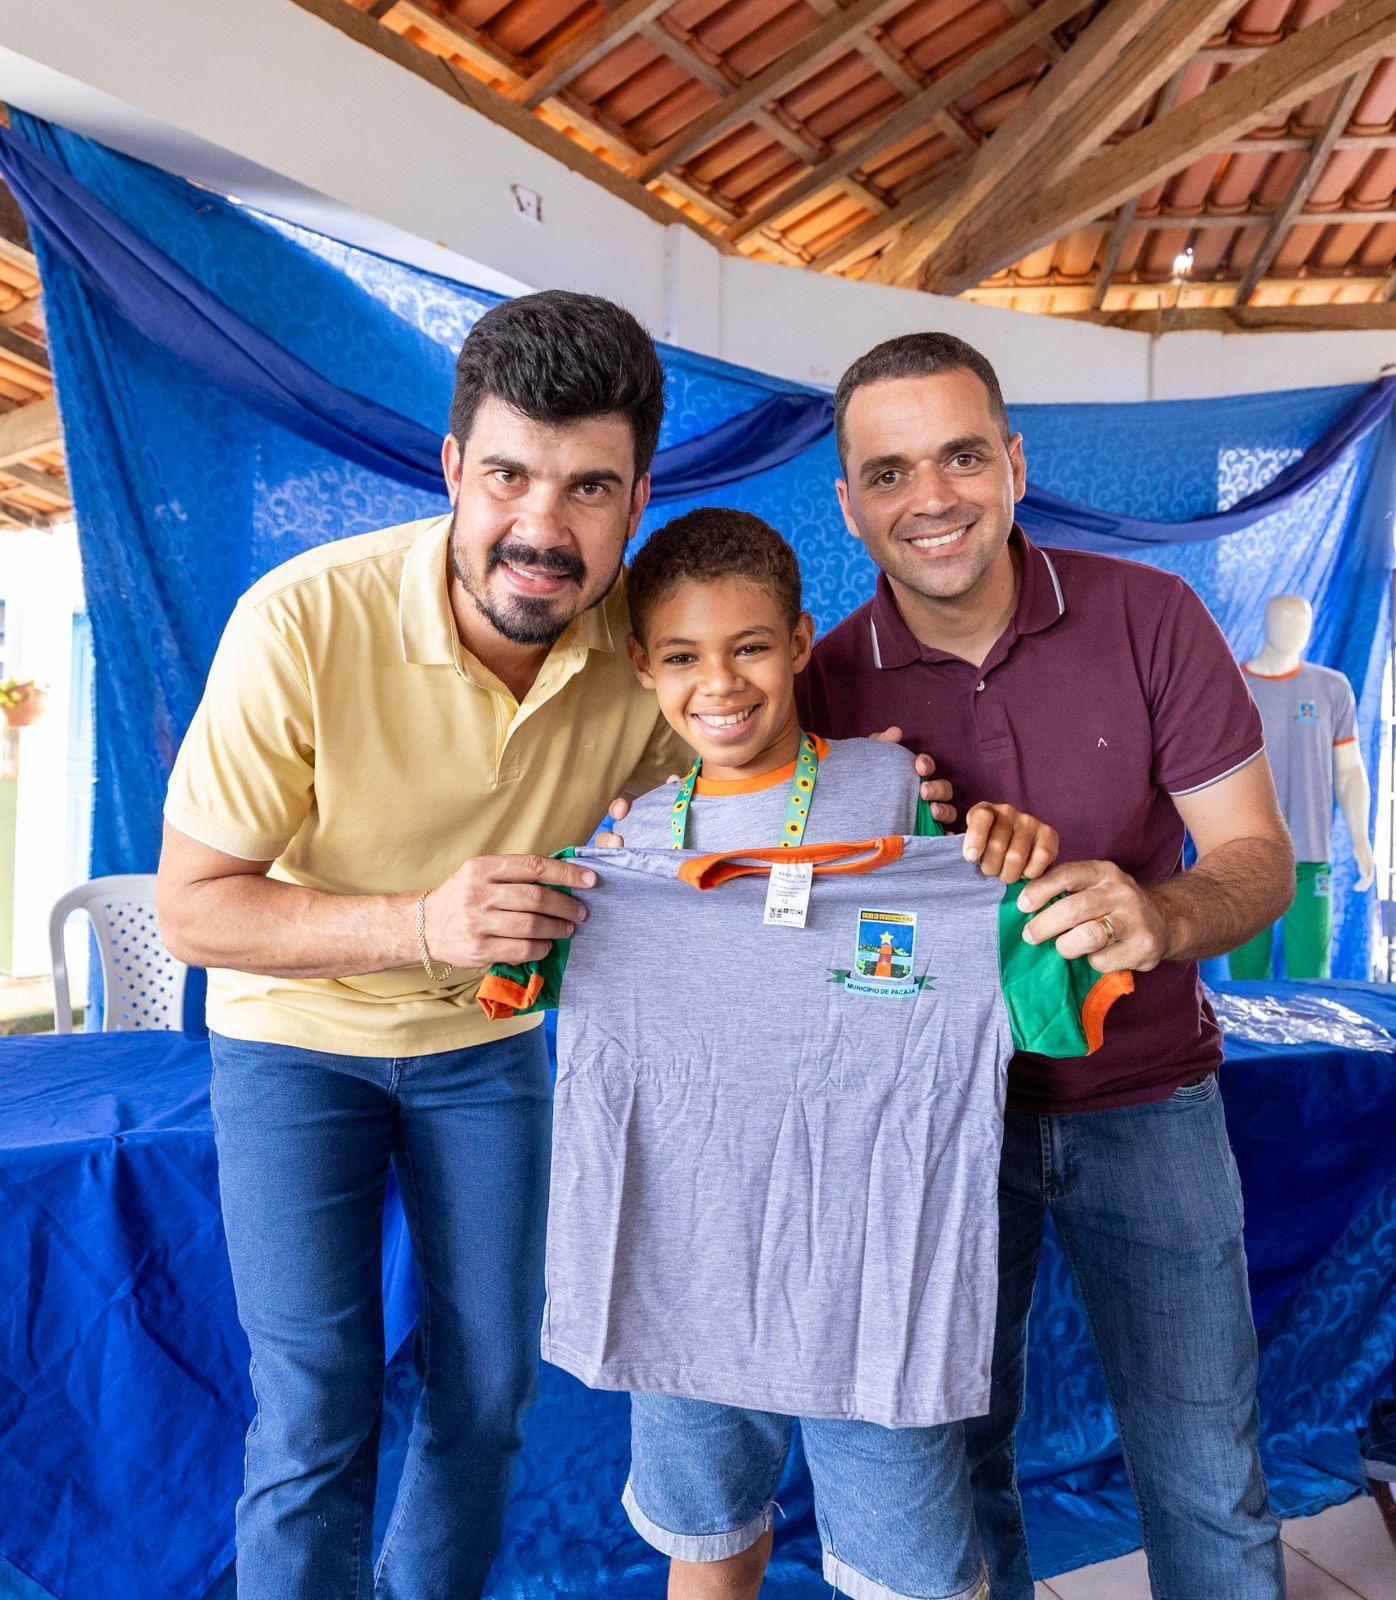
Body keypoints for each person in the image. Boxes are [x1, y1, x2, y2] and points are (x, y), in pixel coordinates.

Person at [155, 291, 695, 1600]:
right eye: (509, 475)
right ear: (453, 467)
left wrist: (895, 790)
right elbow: (193, 910)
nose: (542, 529)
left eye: (588, 490)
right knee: (316, 1406)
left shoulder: (647, 653)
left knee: (490, 1390)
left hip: (488, 1048)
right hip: (297, 1043)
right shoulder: (303, 621)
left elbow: (739, 793)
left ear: (635, 498)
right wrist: (418, 923)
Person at [796, 333, 1295, 1598]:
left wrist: (1159, 916)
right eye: (891, 470)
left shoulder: (1150, 617)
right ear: (847, 501)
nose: (933, 497)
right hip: (936, 1131)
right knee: (961, 1474)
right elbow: (783, 936)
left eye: (963, 455)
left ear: (1014, 464)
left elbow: (1255, 857)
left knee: (1206, 1472)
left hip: (1150, 1106)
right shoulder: (818, 687)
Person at [583, 507, 1083, 1600]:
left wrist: (1014, 878)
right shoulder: (630, 842)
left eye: (749, 646)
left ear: (803, 640)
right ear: (642, 666)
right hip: (689, 1264)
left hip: (871, 1271)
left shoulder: (895, 791)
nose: (720, 682)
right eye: (682, 656)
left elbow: (1001, 947)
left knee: (910, 1573)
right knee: (708, 1546)